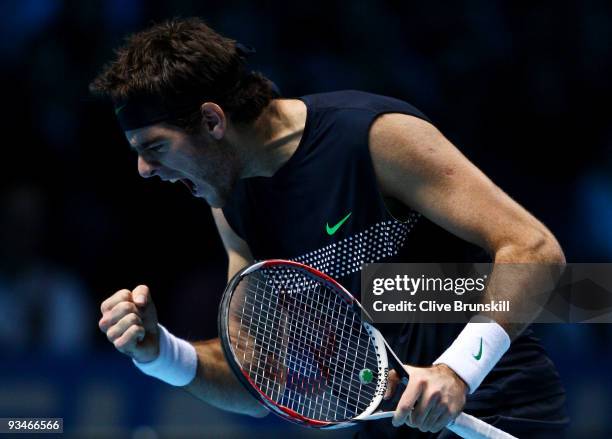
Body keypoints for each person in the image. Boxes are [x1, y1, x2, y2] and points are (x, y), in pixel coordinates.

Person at [92, 18, 568, 438]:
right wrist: (160, 355)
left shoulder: (373, 137)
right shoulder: (231, 201)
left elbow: (533, 247)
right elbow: (258, 377)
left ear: (212, 120)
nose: (143, 170)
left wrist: (457, 372)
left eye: (154, 147)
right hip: (391, 424)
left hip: (499, 406)